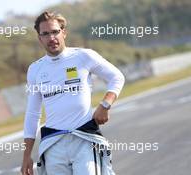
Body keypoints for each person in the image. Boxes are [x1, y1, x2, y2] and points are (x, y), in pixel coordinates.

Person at [21, 11, 125, 175]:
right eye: (45, 34)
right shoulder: (35, 70)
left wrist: (105, 105)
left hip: (84, 139)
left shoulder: (84, 56)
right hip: (53, 144)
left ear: (64, 32)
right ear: (39, 38)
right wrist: (26, 155)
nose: (51, 38)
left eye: (55, 32)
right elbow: (33, 113)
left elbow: (117, 77)